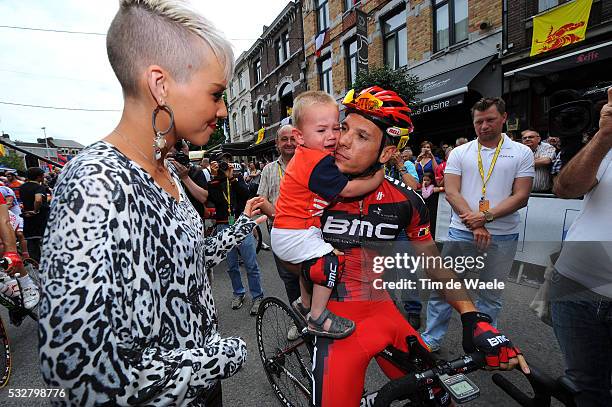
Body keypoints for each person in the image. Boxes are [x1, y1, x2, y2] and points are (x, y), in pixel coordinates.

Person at [38, 1, 267, 404]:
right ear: (160, 85)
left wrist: (244, 224)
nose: (223, 110)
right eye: (215, 93)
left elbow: (183, 264)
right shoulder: (97, 183)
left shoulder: (164, 172)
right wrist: (222, 356)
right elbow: (81, 377)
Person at [300, 86, 527, 406]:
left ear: (386, 153)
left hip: (382, 311)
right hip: (335, 321)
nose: (344, 140)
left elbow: (433, 264)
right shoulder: (308, 190)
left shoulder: (407, 202)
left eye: (362, 136)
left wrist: (472, 316)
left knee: (438, 397)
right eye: (345, 127)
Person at [421, 97, 534, 353]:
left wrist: (486, 217)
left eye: (490, 120)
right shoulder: (461, 152)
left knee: (490, 294)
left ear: (504, 118)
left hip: (503, 236)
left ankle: (484, 343)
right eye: (478, 121)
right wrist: (476, 223)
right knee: (445, 288)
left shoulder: (522, 152)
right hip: (461, 231)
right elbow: (451, 191)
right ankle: (431, 339)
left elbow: (521, 196)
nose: (484, 126)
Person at [271, 90, 385, 338]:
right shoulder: (316, 162)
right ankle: (317, 316)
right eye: (322, 131)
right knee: (330, 261)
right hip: (294, 232)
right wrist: (377, 177)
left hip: (294, 229)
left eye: (336, 128)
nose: (333, 137)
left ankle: (303, 303)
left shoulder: (313, 154)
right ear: (299, 137)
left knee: (310, 265)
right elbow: (348, 189)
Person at [550, 87, 612, 407]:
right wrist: (602, 138)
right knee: (586, 387)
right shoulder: (605, 143)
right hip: (574, 287)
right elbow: (565, 188)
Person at [256, 124, 301, 339]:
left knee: (315, 276)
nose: (289, 143)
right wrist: (282, 217)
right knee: (290, 279)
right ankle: (299, 321)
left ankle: (317, 316)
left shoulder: (310, 165)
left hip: (308, 231)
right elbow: (261, 199)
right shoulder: (269, 170)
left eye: (293, 138)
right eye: (284, 139)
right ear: (277, 143)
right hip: (280, 234)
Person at [207, 155, 265, 315]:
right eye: (221, 164)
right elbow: (216, 200)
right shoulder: (213, 183)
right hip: (223, 225)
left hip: (241, 223)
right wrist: (215, 177)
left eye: (226, 164)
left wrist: (232, 178)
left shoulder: (237, 178)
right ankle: (238, 293)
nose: (225, 167)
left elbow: (245, 194)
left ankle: (257, 296)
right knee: (232, 265)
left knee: (251, 264)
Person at [0, 191, 39, 309]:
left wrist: (10, 252)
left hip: (6, 219)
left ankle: (27, 284)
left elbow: (4, 221)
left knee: (3, 246)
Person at [19, 167, 50, 263]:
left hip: (28, 216)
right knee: (45, 238)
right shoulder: (39, 187)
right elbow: (38, 199)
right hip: (40, 217)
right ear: (39, 177)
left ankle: (35, 262)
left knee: (32, 240)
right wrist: (35, 210)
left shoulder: (22, 187)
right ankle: (48, 261)